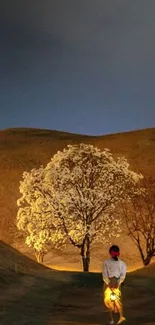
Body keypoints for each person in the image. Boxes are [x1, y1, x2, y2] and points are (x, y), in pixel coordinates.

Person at [102, 245, 126, 325]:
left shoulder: (122, 264)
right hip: (108, 282)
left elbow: (123, 275)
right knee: (108, 301)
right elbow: (105, 274)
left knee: (117, 300)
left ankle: (121, 317)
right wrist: (108, 283)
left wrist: (118, 283)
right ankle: (111, 319)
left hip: (116, 282)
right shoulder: (106, 262)